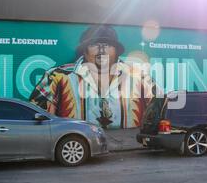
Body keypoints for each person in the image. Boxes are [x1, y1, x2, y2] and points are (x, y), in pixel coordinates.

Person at [29, 25, 157, 129]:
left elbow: (161, 110)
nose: (102, 51)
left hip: (131, 148)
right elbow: (35, 118)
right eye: (95, 45)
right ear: (84, 50)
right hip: (77, 144)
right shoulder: (57, 76)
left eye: (107, 45)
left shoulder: (139, 77)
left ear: (117, 51)